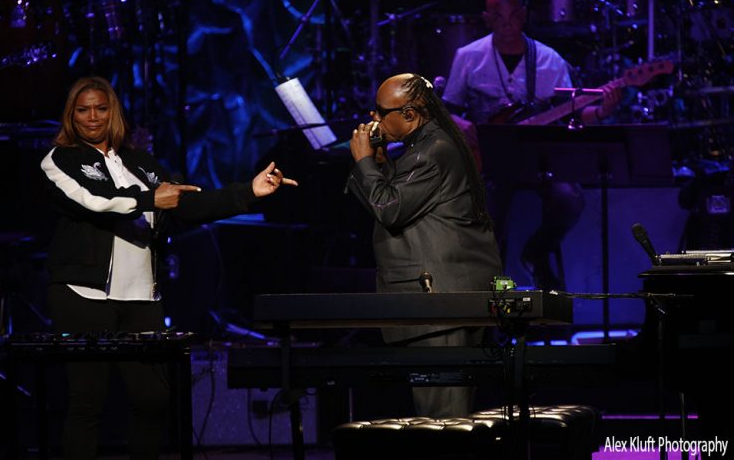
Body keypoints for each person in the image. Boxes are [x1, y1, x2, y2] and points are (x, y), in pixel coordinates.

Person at [40, 76, 297, 460]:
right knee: (87, 400)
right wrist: (150, 198)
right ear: (71, 114)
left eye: (101, 108)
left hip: (142, 296)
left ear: (114, 112)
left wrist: (248, 192)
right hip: (84, 295)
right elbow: (93, 201)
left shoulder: (140, 164)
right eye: (83, 109)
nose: (92, 117)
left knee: (153, 399)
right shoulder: (60, 159)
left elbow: (186, 204)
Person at [442, 0, 622, 290]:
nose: (507, 24)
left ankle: (537, 252)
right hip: (491, 159)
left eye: (513, 16)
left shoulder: (550, 60)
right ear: (487, 19)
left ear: (524, 16)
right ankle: (492, 298)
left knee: (569, 200)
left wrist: (603, 110)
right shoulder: (468, 57)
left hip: (539, 158)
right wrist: (466, 128)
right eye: (498, 18)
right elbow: (446, 112)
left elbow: (572, 116)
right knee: (487, 213)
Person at [346, 73, 502, 418]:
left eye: (380, 111)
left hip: (441, 306)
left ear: (410, 114)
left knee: (442, 421)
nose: (373, 118)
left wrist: (363, 161)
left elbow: (389, 210)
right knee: (439, 417)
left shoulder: (432, 151)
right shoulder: (427, 147)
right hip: (440, 304)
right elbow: (399, 203)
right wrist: (381, 168)